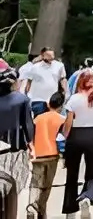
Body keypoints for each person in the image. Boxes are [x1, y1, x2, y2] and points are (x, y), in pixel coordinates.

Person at [61, 70, 93, 219]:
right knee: (92, 171)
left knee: (72, 173)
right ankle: (87, 196)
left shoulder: (74, 99)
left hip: (76, 136)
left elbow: (68, 123)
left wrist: (64, 136)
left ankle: (70, 207)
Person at [0, 69, 33, 219]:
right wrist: (31, 145)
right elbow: (27, 125)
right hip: (15, 152)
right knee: (13, 191)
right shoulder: (22, 100)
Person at [28, 92, 63, 219]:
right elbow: (63, 139)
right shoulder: (62, 119)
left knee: (35, 184)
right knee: (47, 186)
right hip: (52, 155)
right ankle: (41, 211)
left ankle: (31, 208)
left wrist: (31, 149)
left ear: (48, 104)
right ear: (61, 106)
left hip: (38, 156)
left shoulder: (38, 119)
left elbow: (30, 135)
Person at [22, 49, 66, 119]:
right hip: (37, 99)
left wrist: (64, 92)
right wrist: (26, 94)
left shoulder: (59, 66)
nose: (51, 57)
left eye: (52, 55)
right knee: (37, 120)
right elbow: (29, 82)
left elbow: (62, 79)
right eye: (49, 55)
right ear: (42, 56)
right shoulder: (35, 67)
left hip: (52, 99)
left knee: (51, 120)